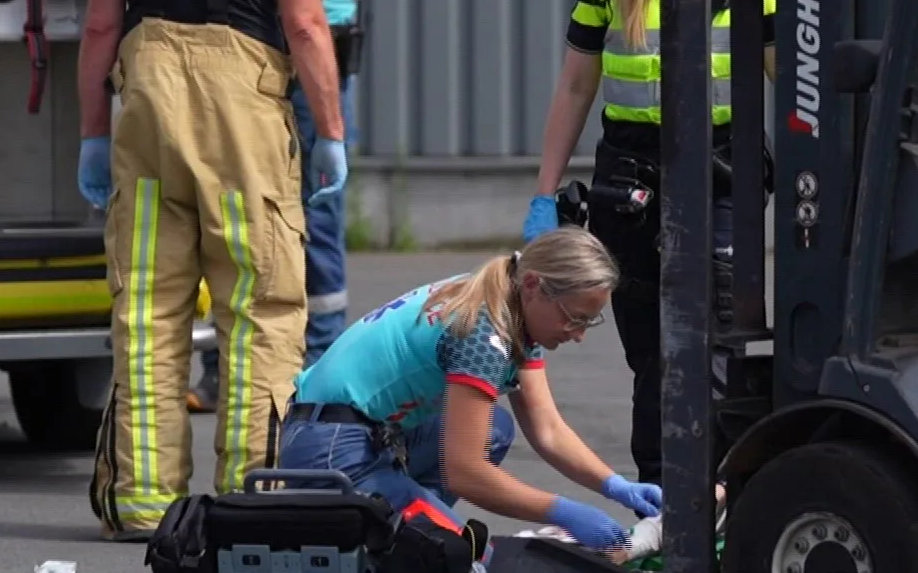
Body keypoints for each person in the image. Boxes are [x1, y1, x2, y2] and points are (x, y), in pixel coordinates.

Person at [74, 0, 348, 542]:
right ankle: (249, 499)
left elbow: (97, 23)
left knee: (149, 310)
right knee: (259, 309)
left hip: (150, 111)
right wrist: (328, 128)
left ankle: (144, 500)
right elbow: (302, 19)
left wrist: (95, 133)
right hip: (243, 119)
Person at [521, 0, 774, 488]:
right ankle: (661, 501)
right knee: (652, 357)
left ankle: (729, 492)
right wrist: (544, 194)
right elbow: (577, 84)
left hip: (721, 171)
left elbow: (787, 72)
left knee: (723, 344)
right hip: (630, 179)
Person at [276, 228, 658, 552]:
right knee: (467, 558)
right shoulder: (482, 333)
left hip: (349, 432)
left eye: (589, 323)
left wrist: (615, 486)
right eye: (574, 318)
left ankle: (402, 529)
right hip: (330, 451)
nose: (576, 335)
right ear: (533, 286)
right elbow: (467, 474)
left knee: (494, 429)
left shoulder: (507, 301)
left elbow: (547, 428)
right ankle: (401, 534)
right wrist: (565, 511)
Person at [186, 0, 361, 412]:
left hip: (306, 55)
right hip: (251, 58)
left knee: (317, 214)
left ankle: (323, 362)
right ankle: (224, 363)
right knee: (235, 218)